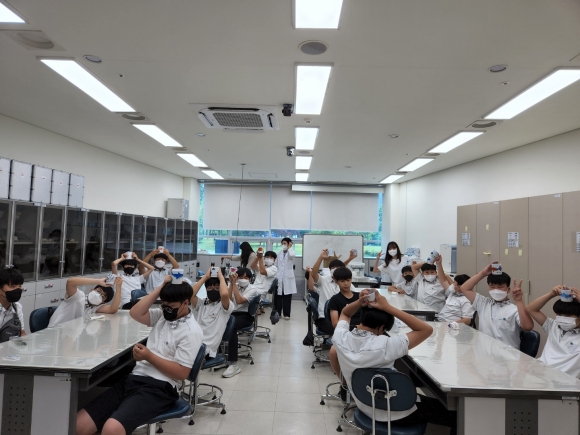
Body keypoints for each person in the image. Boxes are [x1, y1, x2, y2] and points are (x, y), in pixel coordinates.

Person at [76, 276, 203, 435]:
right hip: (134, 379)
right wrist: (162, 286)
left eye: (171, 307)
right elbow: (135, 312)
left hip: (160, 388)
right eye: (163, 305)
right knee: (79, 425)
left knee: (112, 429)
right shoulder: (163, 317)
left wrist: (149, 356)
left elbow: (182, 373)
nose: (166, 309)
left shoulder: (191, 331)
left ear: (185, 303)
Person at [330, 289, 456, 433]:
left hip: (364, 404)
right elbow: (426, 329)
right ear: (381, 328)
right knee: (456, 415)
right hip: (397, 412)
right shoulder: (386, 345)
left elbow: (345, 313)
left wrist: (359, 302)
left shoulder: (340, 338)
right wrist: (387, 307)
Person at [458, 263, 534, 348]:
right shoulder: (483, 303)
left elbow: (528, 327)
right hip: (484, 351)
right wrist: (483, 273)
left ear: (508, 289)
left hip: (507, 354)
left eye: (500, 287)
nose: (496, 290)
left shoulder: (514, 310)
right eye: (492, 287)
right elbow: (464, 288)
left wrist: (519, 300)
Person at [527, 285, 580, 377]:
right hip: (539, 373)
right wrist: (551, 294)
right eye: (559, 314)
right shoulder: (554, 326)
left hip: (563, 380)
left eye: (568, 316)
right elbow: (531, 309)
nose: (562, 318)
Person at [223, 268, 259, 378]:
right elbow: (228, 300)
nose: (243, 279)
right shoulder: (234, 285)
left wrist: (234, 284)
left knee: (232, 326)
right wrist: (231, 284)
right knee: (216, 321)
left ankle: (233, 364)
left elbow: (239, 301)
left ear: (250, 279)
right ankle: (216, 353)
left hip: (245, 315)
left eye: (246, 278)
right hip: (231, 313)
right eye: (241, 277)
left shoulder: (253, 289)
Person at [311, 250, 357, 335]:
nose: (335, 270)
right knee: (342, 332)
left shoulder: (348, 284)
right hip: (325, 318)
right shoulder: (324, 280)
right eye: (333, 268)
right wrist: (321, 257)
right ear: (329, 270)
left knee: (357, 330)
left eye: (338, 268)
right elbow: (313, 274)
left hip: (344, 317)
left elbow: (355, 297)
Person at [191, 268, 233, 358]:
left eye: (217, 288)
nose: (213, 290)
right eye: (210, 288)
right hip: (193, 342)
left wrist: (221, 277)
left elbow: (225, 294)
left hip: (206, 348)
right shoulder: (202, 303)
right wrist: (206, 277)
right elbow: (190, 294)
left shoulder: (224, 306)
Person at [48, 276, 122, 327]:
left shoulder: (94, 308)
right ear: (92, 290)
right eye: (98, 291)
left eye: (102, 296)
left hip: (69, 334)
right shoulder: (78, 296)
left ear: (103, 302)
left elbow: (113, 309)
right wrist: (98, 281)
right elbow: (70, 282)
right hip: (55, 331)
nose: (98, 295)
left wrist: (118, 287)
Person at [433, 258, 474, 324]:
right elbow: (443, 280)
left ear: (461, 287)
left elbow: (467, 320)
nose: (452, 284)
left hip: (449, 325)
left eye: (454, 283)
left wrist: (450, 325)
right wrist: (439, 264)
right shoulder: (452, 293)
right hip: (439, 321)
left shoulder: (466, 300)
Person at [0, 268, 26, 342]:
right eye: (13, 286)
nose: (17, 290)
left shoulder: (17, 307)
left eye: (19, 286)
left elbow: (22, 333)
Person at [274, 238, 297, 320]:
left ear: (289, 244)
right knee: (278, 297)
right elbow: (276, 264)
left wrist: (289, 248)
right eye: (282, 243)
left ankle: (287, 314)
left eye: (285, 243)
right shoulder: (279, 253)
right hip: (279, 277)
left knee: (287, 297)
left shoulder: (292, 252)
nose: (283, 245)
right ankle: (278, 313)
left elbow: (291, 256)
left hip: (288, 278)